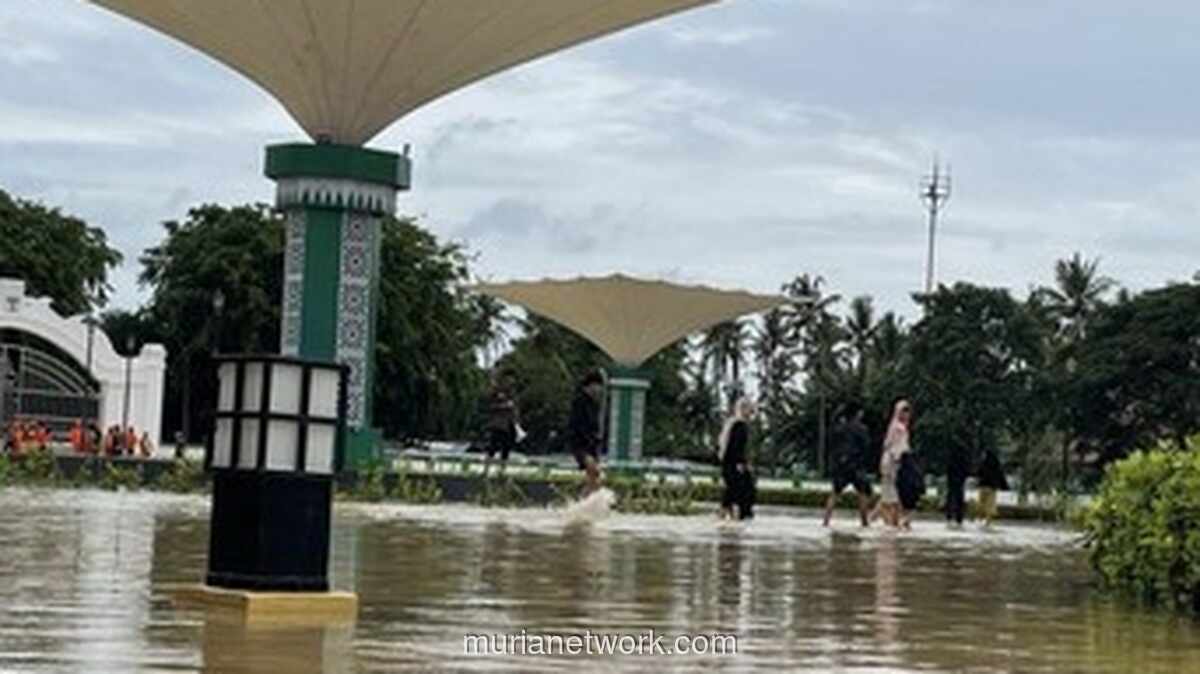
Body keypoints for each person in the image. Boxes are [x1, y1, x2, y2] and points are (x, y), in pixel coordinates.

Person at [823, 402, 873, 527]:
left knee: (835, 493)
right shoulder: (861, 429)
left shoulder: (839, 428)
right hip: (857, 465)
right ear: (858, 413)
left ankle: (826, 521)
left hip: (840, 465)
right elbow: (866, 447)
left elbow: (832, 445)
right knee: (863, 493)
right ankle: (864, 522)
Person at [567, 370, 606, 496]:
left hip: (591, 444)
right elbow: (576, 424)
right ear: (591, 385)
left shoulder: (594, 404)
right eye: (598, 386)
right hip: (580, 443)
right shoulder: (579, 401)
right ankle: (585, 499)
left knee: (594, 476)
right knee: (593, 470)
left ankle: (585, 500)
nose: (600, 390)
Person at [875, 399, 913, 528]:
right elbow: (892, 445)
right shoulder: (897, 427)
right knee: (891, 494)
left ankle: (880, 519)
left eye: (907, 411)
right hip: (892, 462)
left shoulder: (900, 427)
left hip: (897, 462)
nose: (906, 414)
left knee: (891, 494)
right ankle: (892, 522)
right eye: (903, 411)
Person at [719, 398, 756, 521]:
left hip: (728, 464)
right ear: (743, 409)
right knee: (742, 490)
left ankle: (726, 515)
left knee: (731, 491)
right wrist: (740, 463)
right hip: (734, 464)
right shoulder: (739, 426)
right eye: (750, 410)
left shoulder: (731, 424)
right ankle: (736, 516)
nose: (752, 413)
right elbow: (736, 447)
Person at [484, 373, 519, 473]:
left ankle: (502, 470)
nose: (511, 382)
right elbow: (490, 407)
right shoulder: (496, 393)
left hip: (508, 426)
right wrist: (504, 406)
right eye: (509, 380)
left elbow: (515, 410)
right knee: (492, 447)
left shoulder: (512, 394)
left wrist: (516, 422)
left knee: (506, 448)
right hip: (498, 425)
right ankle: (486, 470)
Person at [976, 447, 1009, 528]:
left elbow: (978, 473)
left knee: (981, 503)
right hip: (992, 487)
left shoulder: (983, 463)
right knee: (990, 505)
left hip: (983, 486)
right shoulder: (996, 464)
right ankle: (988, 521)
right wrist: (1004, 486)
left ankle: (980, 518)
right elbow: (1000, 475)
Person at [945, 445, 970, 528]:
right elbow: (966, 471)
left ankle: (950, 517)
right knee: (959, 500)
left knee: (951, 499)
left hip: (951, 483)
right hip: (960, 483)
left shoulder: (951, 460)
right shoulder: (964, 460)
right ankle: (959, 518)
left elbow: (948, 471)